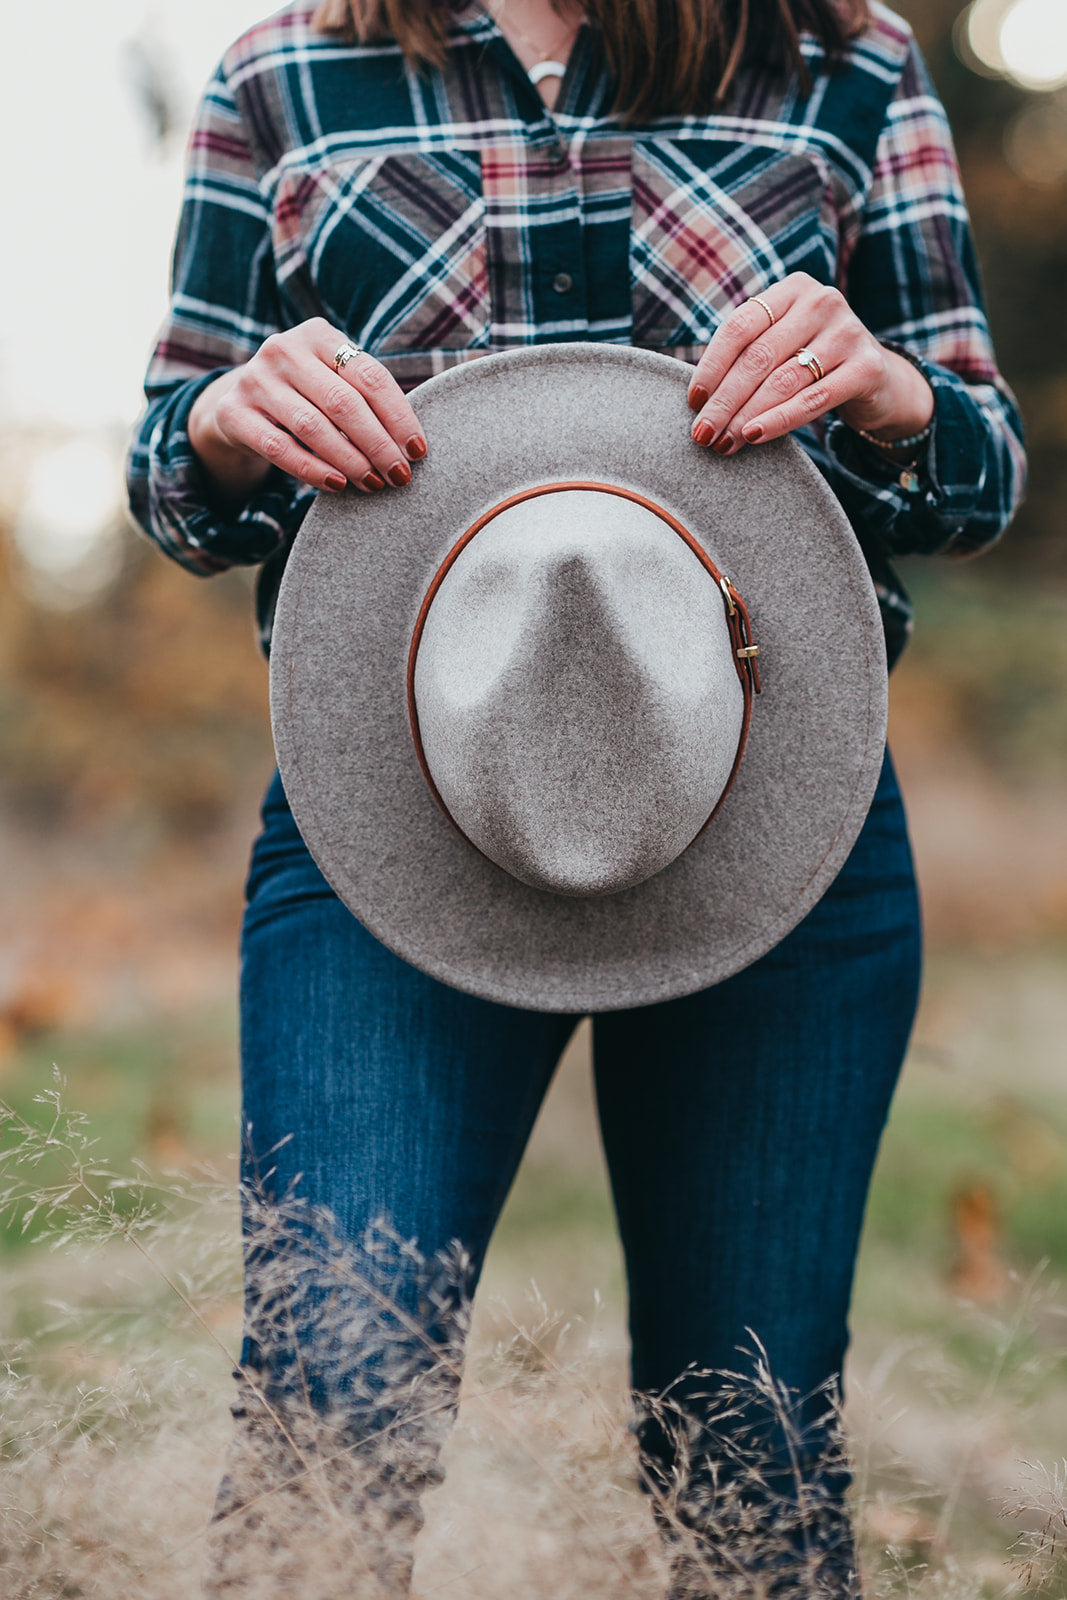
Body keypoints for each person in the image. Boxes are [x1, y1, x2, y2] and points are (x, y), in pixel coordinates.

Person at [126, 2, 1026, 1594]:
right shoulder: (284, 67)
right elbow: (169, 477)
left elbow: (983, 466)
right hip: (386, 823)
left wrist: (886, 390)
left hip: (775, 827)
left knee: (747, 1450)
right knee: (332, 1417)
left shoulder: (843, 55)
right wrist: (221, 421)